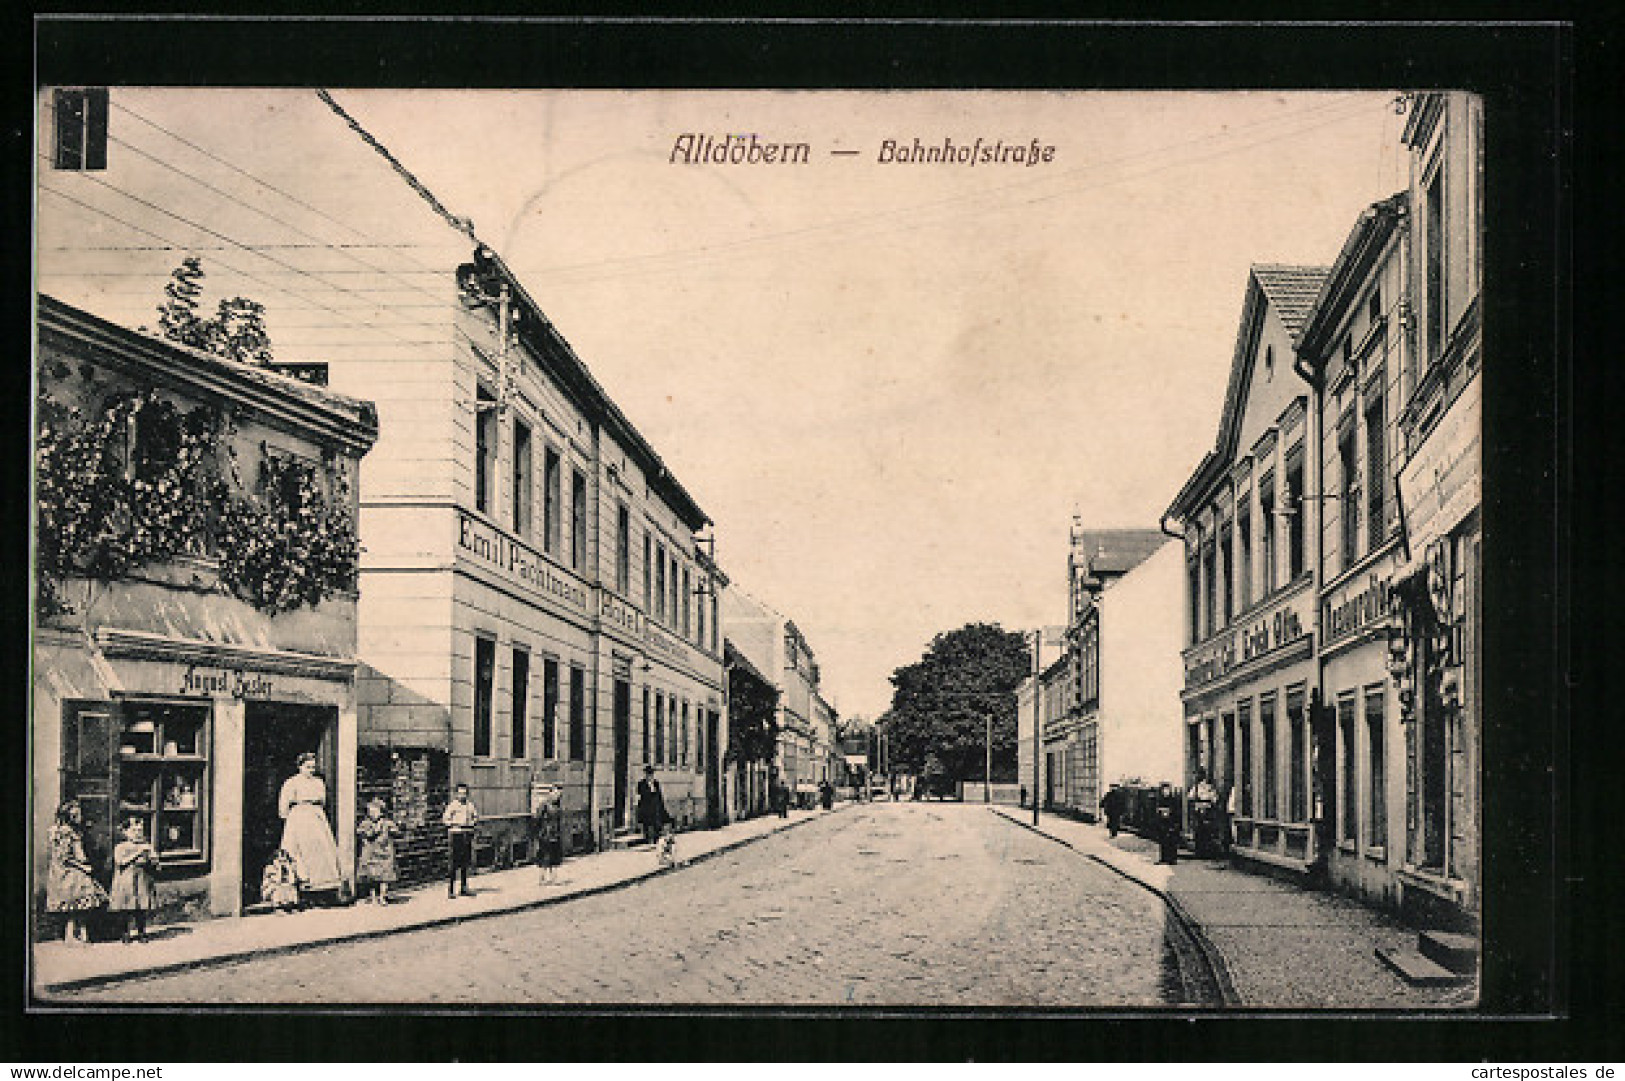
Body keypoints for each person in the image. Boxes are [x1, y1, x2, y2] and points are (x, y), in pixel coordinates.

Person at [278, 752, 343, 902]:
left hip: (316, 817)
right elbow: (283, 807)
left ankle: (320, 890)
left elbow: (323, 801)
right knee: (299, 852)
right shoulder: (292, 782)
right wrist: (291, 820)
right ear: (300, 767)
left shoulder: (318, 783)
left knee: (320, 851)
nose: (311, 770)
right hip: (299, 817)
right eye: (308, 767)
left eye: (313, 767)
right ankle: (300, 891)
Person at [46, 799, 107, 944]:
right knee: (75, 904)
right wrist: (83, 867)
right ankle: (71, 935)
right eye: (76, 815)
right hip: (69, 872)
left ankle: (82, 933)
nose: (80, 817)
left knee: (83, 904)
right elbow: (64, 857)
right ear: (69, 816)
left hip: (77, 869)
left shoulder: (74, 831)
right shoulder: (64, 832)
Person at [109, 818, 158, 942]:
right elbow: (120, 861)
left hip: (141, 880)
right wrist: (137, 853)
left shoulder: (146, 846)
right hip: (126, 881)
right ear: (125, 832)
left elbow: (154, 862)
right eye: (134, 830)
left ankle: (142, 932)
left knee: (141, 907)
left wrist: (153, 860)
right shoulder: (120, 847)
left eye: (140, 830)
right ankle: (125, 933)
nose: (137, 833)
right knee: (126, 907)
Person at [355, 797, 400, 905]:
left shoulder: (387, 823)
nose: (373, 814)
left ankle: (382, 896)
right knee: (372, 876)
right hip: (371, 852)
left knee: (384, 876)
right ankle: (373, 896)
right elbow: (362, 833)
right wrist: (369, 832)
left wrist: (393, 830)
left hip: (385, 851)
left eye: (375, 811)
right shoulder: (366, 824)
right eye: (371, 811)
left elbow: (396, 831)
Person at [442, 782, 479, 897]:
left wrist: (472, 823)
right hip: (456, 834)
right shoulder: (453, 805)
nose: (462, 796)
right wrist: (455, 824)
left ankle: (464, 887)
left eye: (464, 793)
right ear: (456, 794)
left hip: (466, 834)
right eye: (460, 793)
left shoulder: (469, 805)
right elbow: (445, 819)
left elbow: (475, 816)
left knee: (465, 862)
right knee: (454, 863)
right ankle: (451, 890)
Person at [530, 783, 564, 886]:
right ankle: (541, 879)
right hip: (545, 834)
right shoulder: (544, 804)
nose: (558, 795)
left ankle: (553, 879)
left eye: (560, 794)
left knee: (555, 857)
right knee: (544, 857)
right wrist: (539, 833)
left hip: (555, 834)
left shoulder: (557, 805)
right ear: (551, 792)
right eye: (556, 793)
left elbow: (558, 821)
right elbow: (537, 819)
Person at [636, 766, 667, 847]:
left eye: (651, 774)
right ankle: (647, 840)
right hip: (646, 806)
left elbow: (659, 795)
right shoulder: (641, 784)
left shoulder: (656, 783)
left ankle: (656, 840)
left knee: (656, 823)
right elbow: (639, 796)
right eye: (648, 774)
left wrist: (661, 806)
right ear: (645, 775)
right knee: (646, 823)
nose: (649, 776)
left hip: (655, 807)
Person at [1155, 782, 1181, 865]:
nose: (1165, 792)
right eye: (1164, 790)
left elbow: (1177, 812)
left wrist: (1176, 823)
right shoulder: (1160, 800)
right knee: (1163, 840)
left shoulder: (1173, 800)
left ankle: (1172, 859)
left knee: (1172, 841)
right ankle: (1163, 858)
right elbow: (1157, 811)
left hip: (1171, 822)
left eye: (1167, 790)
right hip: (1163, 822)